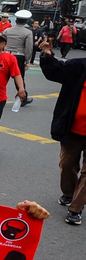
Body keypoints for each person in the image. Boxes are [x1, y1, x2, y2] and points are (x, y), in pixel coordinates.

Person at [40, 41, 86, 225]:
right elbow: (56, 71)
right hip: (72, 129)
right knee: (67, 165)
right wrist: (47, 56)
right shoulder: (79, 66)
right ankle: (69, 193)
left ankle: (76, 208)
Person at [4, 10, 33, 107]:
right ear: (26, 22)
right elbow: (28, 48)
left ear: (15, 20)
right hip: (19, 56)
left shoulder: (7, 30)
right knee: (19, 78)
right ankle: (23, 98)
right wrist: (28, 60)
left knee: (3, 76)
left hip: (6, 54)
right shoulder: (28, 32)